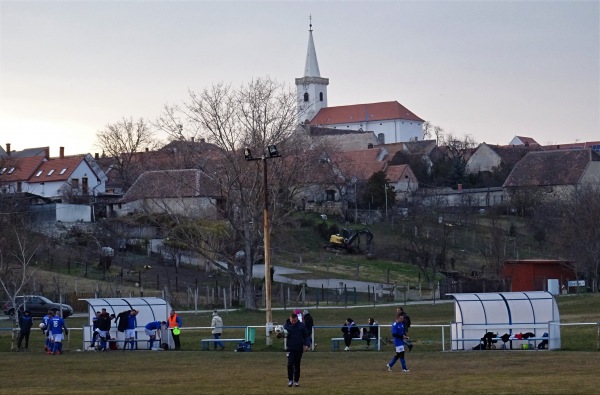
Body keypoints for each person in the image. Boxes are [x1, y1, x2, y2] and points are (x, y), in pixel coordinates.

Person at [283, 312, 310, 387]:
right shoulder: (286, 325)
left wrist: (307, 345)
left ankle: (296, 381)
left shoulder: (301, 326)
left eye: (295, 320)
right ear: (290, 318)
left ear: (297, 319)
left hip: (298, 348)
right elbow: (282, 334)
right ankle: (290, 380)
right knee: (290, 363)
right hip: (290, 348)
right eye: (292, 320)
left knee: (297, 364)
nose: (293, 322)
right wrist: (279, 335)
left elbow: (306, 336)